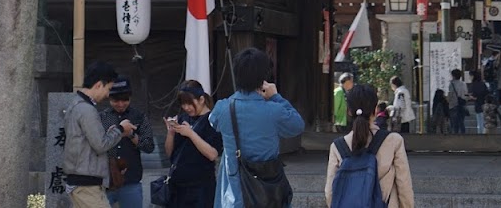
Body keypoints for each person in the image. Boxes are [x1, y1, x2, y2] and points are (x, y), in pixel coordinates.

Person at [208, 47, 305, 208]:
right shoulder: (274, 110)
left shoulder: (223, 108)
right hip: (268, 189)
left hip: (235, 190)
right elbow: (297, 126)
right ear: (263, 78)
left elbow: (213, 122)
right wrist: (275, 96)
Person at [324, 83, 414, 208]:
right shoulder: (394, 141)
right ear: (376, 109)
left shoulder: (337, 146)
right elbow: (404, 186)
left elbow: (330, 193)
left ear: (349, 111)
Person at [63, 61, 135, 208]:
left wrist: (110, 134)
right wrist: (120, 130)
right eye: (108, 88)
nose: (108, 94)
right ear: (98, 85)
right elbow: (100, 145)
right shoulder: (86, 110)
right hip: (86, 184)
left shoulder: (76, 104)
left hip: (80, 182)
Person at [98, 77, 155, 208]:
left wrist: (131, 135)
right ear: (109, 98)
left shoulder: (139, 116)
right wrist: (111, 135)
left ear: (130, 97)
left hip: (131, 180)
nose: (120, 104)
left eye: (125, 100)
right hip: (105, 181)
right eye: (115, 100)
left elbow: (149, 146)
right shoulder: (102, 117)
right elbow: (96, 145)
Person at [163, 81, 222, 208]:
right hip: (178, 186)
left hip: (201, 188)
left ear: (201, 99)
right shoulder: (183, 118)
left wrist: (191, 134)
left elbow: (213, 154)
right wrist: (171, 133)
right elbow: (170, 154)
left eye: (190, 103)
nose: (186, 107)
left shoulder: (212, 120)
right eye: (183, 104)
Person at [447, 69, 468, 135]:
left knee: (454, 124)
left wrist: (447, 101)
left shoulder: (452, 84)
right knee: (461, 122)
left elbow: (450, 95)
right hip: (462, 105)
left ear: (453, 76)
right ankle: (463, 137)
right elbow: (466, 94)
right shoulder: (463, 84)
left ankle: (455, 138)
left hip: (453, 106)